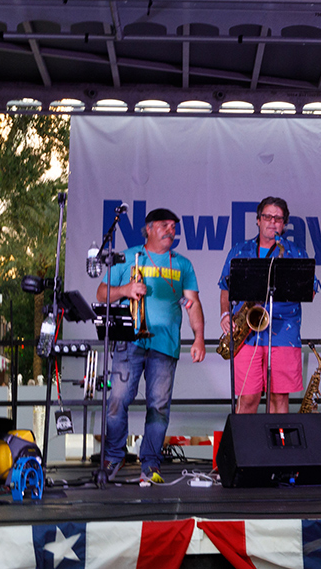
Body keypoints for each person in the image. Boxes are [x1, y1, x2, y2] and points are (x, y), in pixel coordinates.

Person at [97, 207, 205, 486]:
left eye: (173, 226)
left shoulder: (182, 264)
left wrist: (199, 337)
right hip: (129, 341)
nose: (171, 230)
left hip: (165, 344)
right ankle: (114, 455)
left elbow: (192, 303)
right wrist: (125, 291)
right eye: (164, 225)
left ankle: (150, 462)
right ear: (148, 229)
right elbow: (100, 293)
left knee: (158, 406)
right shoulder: (127, 257)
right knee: (117, 400)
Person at [218, 195, 308, 413]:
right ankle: (244, 446)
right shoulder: (239, 251)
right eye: (267, 216)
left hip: (284, 330)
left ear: (284, 224)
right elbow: (225, 288)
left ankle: (279, 446)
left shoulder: (295, 253)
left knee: (279, 398)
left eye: (278, 218)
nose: (272, 222)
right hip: (247, 331)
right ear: (258, 220)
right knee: (248, 397)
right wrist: (224, 314)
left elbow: (310, 288)